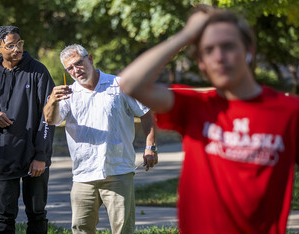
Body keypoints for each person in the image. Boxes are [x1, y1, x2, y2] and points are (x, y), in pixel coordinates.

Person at [119, 5, 299, 234]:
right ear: (201, 63)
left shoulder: (289, 111)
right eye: (208, 50)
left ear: (249, 51)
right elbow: (130, 83)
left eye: (228, 46)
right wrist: (186, 34)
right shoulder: (194, 106)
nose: (219, 57)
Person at [43, 44, 158, 234]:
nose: (75, 70)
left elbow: (146, 112)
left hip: (118, 170)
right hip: (83, 175)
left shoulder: (120, 85)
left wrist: (150, 147)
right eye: (69, 68)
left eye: (78, 63)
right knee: (81, 229)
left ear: (90, 59)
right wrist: (52, 101)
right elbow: (50, 119)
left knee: (123, 230)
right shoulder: (67, 94)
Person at [0, 25, 55, 234]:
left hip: (34, 156)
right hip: (4, 154)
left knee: (37, 214)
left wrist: (41, 155)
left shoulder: (38, 71)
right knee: (4, 216)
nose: (17, 49)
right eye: (10, 45)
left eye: (19, 43)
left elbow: (49, 117)